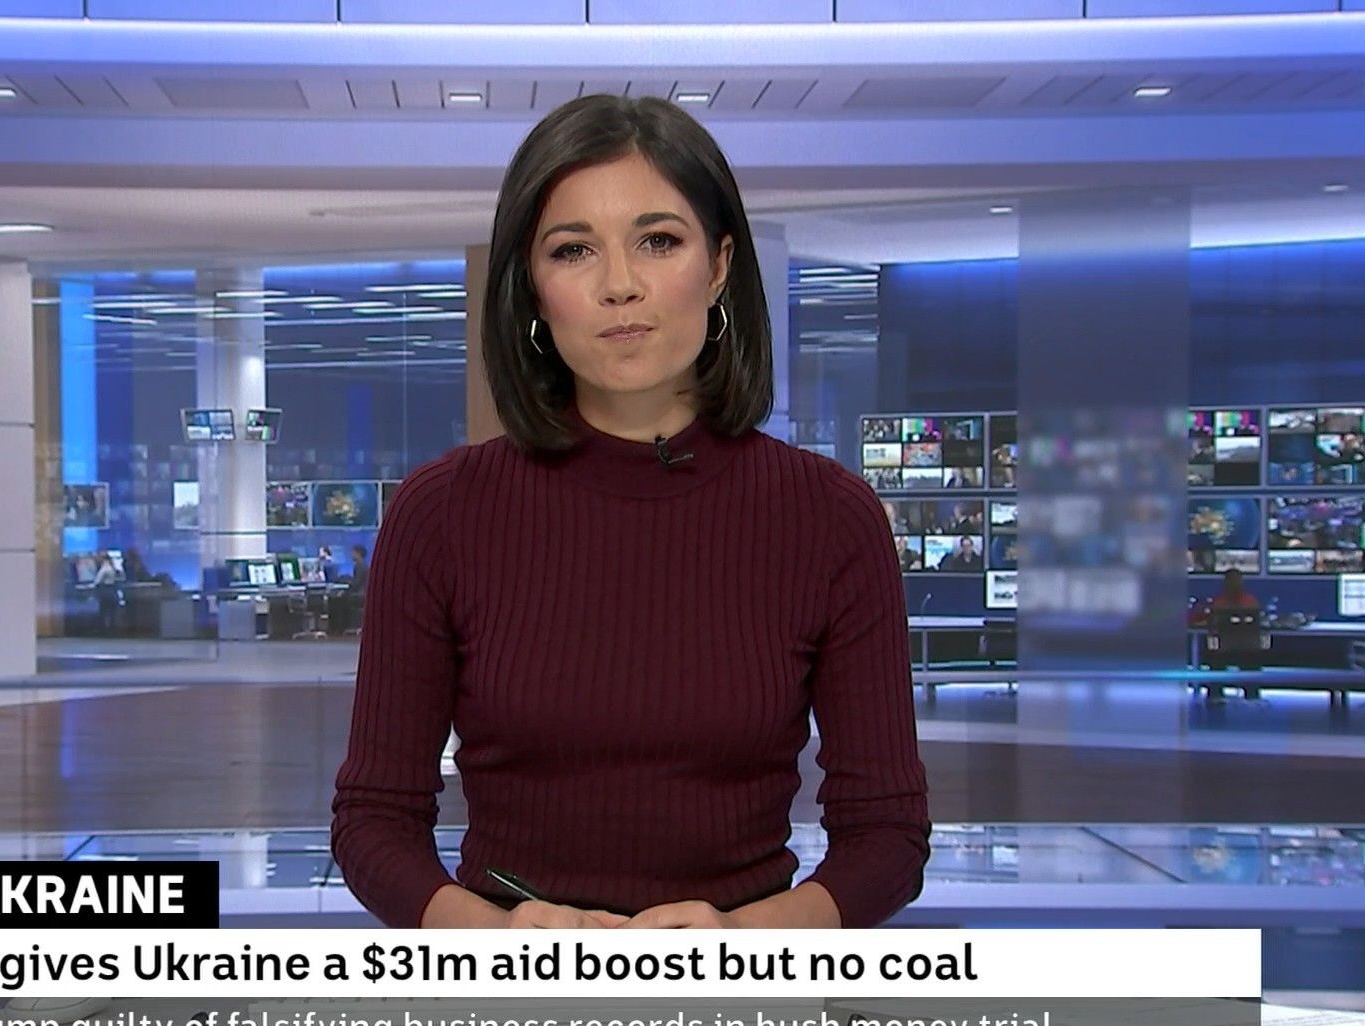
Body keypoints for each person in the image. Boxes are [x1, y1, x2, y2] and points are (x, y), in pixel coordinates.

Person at [331, 94, 931, 931]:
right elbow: (373, 822)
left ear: (719, 266)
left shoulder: (830, 518)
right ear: (532, 287)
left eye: (659, 241)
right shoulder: (441, 514)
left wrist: (740, 940)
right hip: (510, 987)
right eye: (573, 250)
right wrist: (497, 936)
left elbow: (888, 836)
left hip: (743, 986)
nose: (619, 285)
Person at [1204, 569, 1263, 702]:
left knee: (1215, 660)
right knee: (1249, 662)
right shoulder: (1251, 602)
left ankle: (1216, 696)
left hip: (1228, 650)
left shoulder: (1220, 603)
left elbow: (1211, 625)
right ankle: (1251, 696)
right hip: (1245, 650)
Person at [92, 553, 121, 635]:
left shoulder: (104, 569)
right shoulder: (112, 568)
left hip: (105, 591)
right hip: (112, 591)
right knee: (112, 612)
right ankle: (112, 629)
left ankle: (103, 630)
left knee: (103, 611)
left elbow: (97, 581)